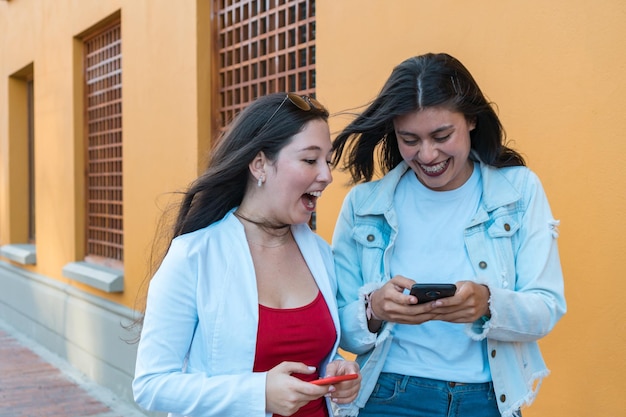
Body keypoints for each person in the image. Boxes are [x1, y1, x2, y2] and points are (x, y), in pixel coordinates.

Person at [330, 53, 566, 417]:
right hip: (388, 395)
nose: (427, 154)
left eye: (442, 135)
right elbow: (340, 328)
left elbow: (547, 308)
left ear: (471, 119)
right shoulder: (364, 206)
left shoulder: (518, 192)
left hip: (488, 400)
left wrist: (487, 303)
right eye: (409, 139)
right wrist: (374, 309)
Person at [132, 93, 361, 417]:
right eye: (311, 160)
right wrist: (257, 394)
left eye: (328, 161)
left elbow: (316, 356)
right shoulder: (194, 256)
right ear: (259, 165)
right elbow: (151, 385)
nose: (326, 175)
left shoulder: (320, 253)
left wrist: (338, 372)